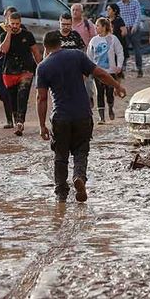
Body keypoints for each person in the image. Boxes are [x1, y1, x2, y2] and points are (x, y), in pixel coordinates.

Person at [36, 31, 125, 202]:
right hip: (83, 115)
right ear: (60, 43)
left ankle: (61, 193)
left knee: (60, 155)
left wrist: (42, 126)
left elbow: (41, 98)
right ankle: (79, 177)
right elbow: (100, 73)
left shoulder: (43, 66)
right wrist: (117, 86)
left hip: (60, 117)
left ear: (45, 47)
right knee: (81, 151)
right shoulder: (76, 56)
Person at [0, 12, 42, 135]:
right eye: (12, 23)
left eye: (17, 24)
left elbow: (35, 52)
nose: (15, 26)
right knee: (12, 99)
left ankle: (20, 123)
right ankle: (16, 120)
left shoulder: (27, 35)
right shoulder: (3, 35)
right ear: (8, 23)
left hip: (26, 70)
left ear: (20, 23)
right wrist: (8, 33)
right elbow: (4, 50)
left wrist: (41, 66)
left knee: (22, 96)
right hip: (9, 72)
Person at [86, 18, 124, 123]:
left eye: (98, 26)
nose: (96, 27)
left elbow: (120, 52)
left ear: (104, 27)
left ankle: (111, 107)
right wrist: (89, 68)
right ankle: (101, 117)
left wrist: (119, 66)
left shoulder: (113, 39)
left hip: (110, 71)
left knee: (109, 92)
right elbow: (89, 55)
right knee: (99, 92)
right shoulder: (94, 40)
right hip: (97, 71)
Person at [116, 0, 144, 78]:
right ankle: (122, 69)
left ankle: (139, 68)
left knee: (137, 49)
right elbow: (117, 18)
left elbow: (138, 15)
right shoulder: (118, 5)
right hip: (123, 29)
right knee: (122, 49)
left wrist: (135, 26)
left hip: (134, 29)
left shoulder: (135, 2)